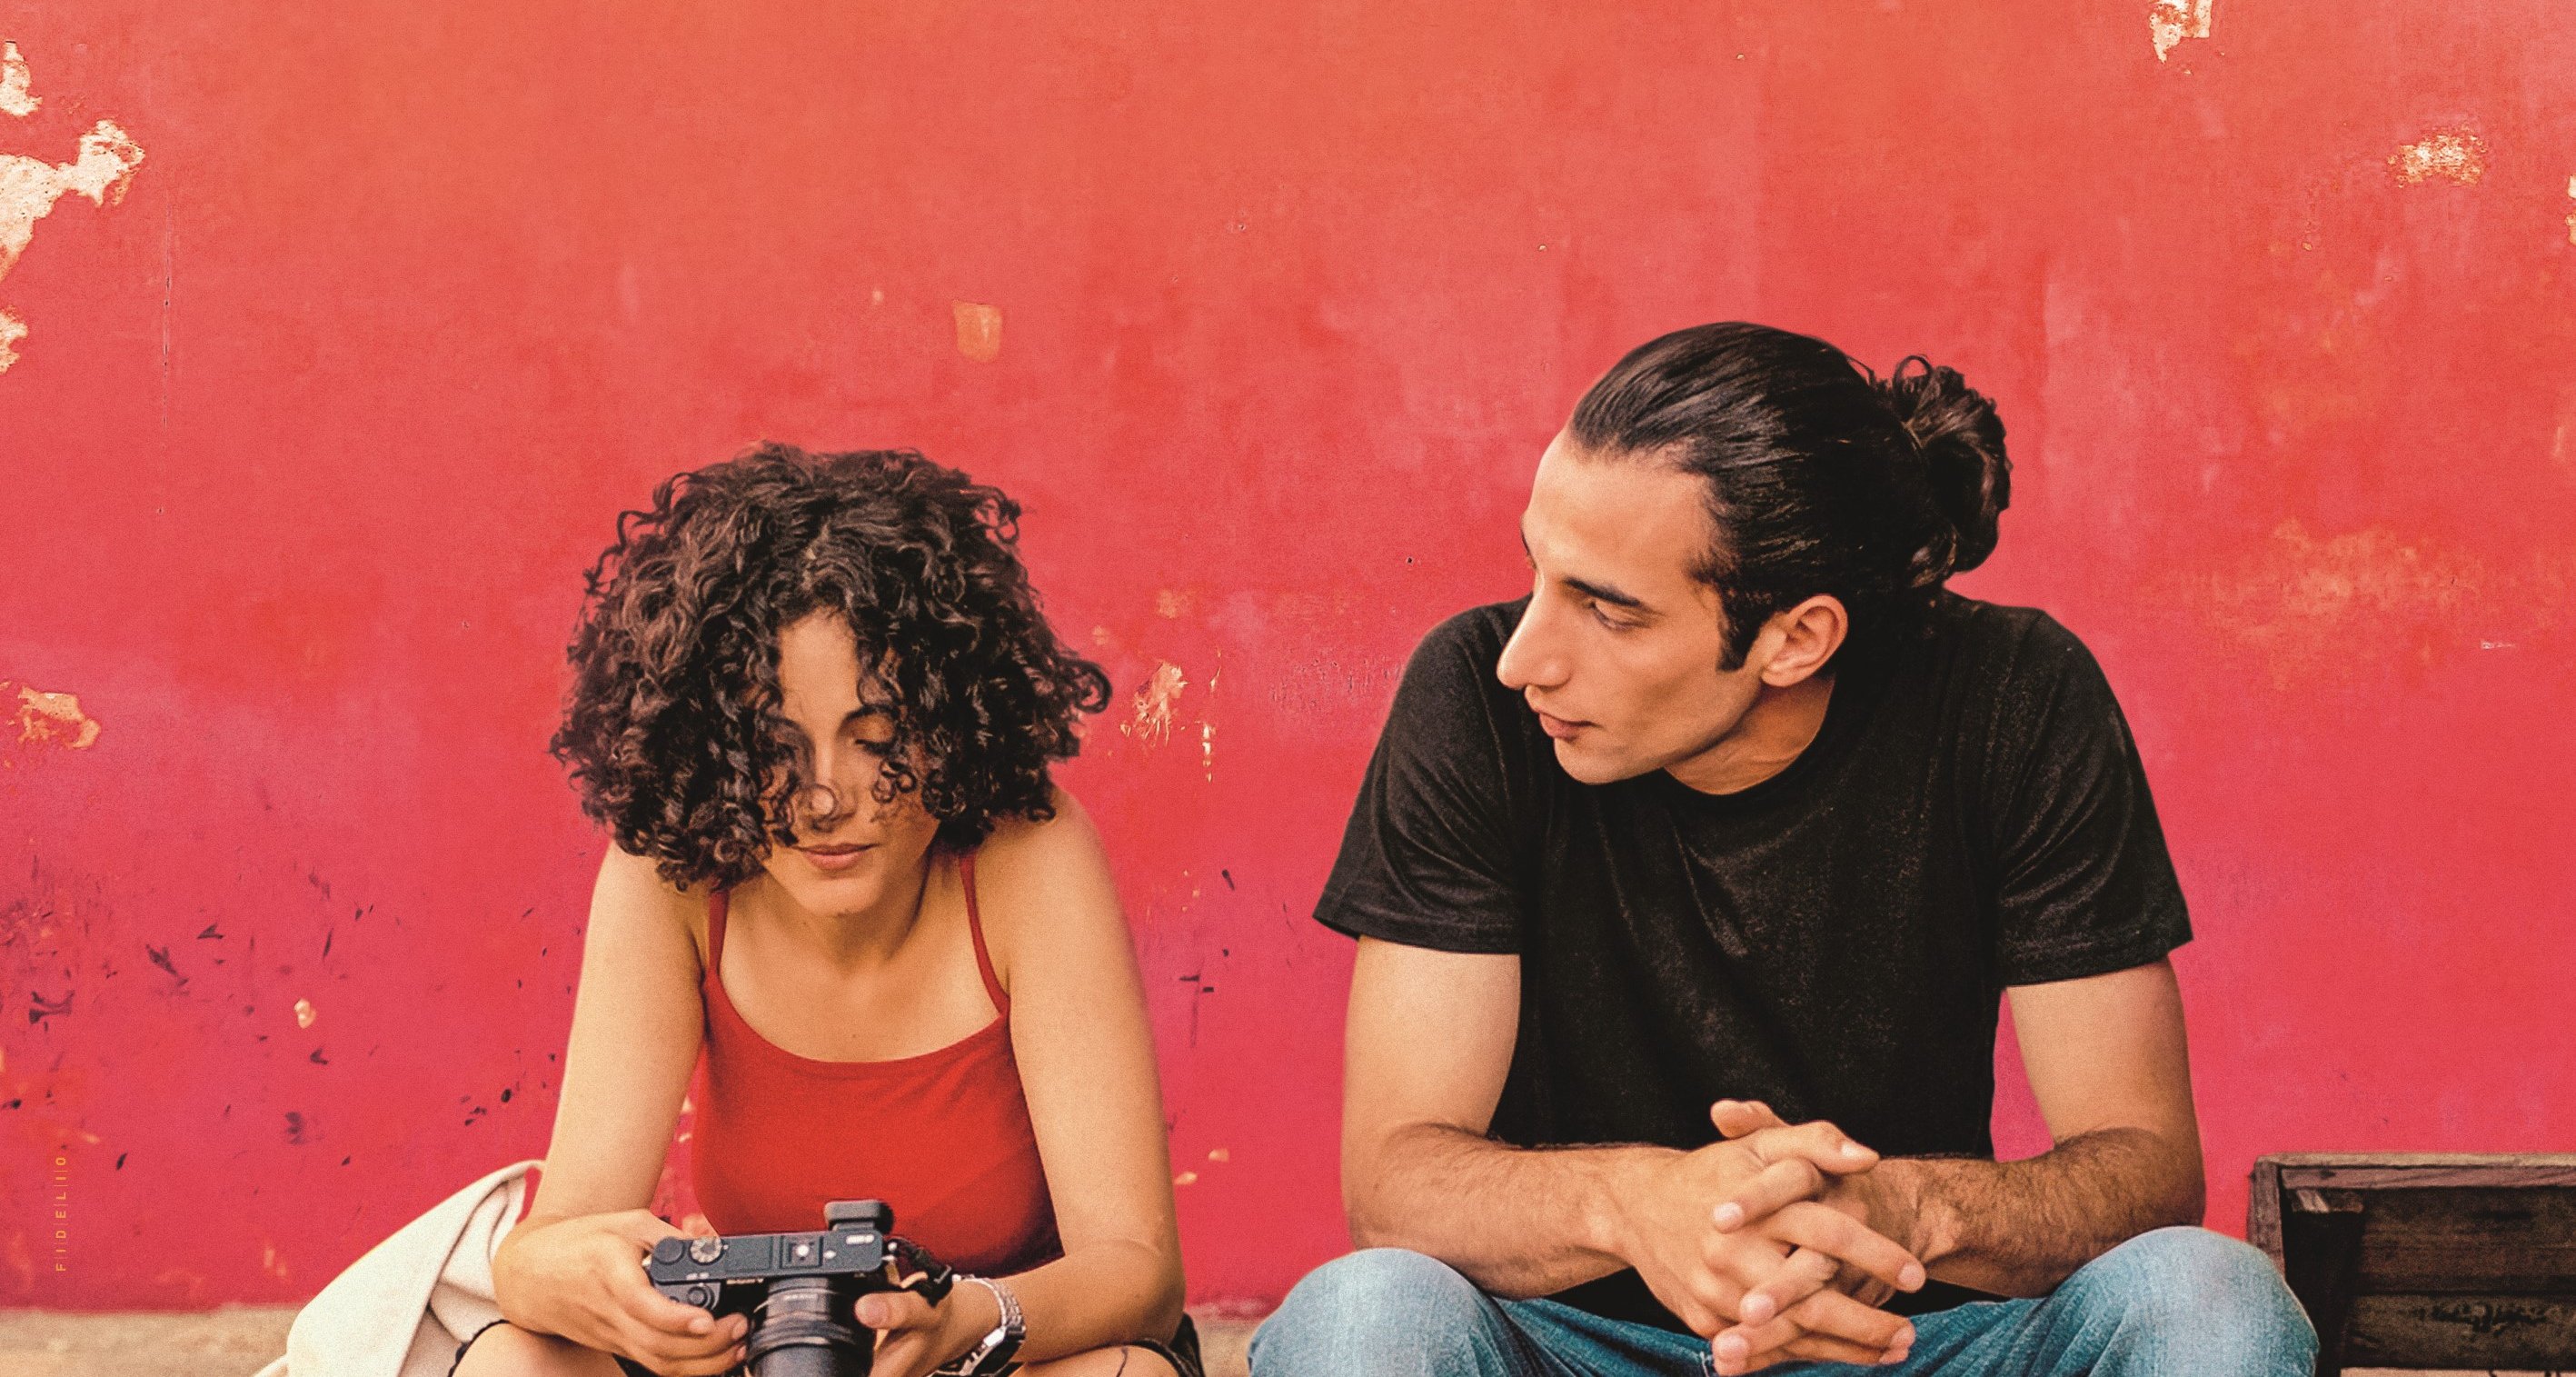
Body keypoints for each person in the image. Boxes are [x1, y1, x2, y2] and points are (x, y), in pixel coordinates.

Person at [1250, 324, 2315, 1376]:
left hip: (1911, 1336)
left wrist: (1906, 1209)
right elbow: (1395, 1177)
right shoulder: (1478, 698)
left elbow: (2146, 1168)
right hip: (1574, 1344)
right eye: (1538, 572)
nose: (1528, 657)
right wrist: (1638, 1209)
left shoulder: (2014, 695)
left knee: (2208, 1296)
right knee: (1363, 1313)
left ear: (1796, 639)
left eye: (1608, 610)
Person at [458, 445, 1199, 1377]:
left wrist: (973, 1317)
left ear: (955, 720)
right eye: (773, 746)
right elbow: (540, 1252)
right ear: (712, 742)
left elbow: (1139, 1270)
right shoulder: (674, 868)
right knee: (509, 1358)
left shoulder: (1028, 852)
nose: (821, 799)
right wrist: (599, 1290)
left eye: (877, 738)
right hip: (749, 1359)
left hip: (991, 1362)